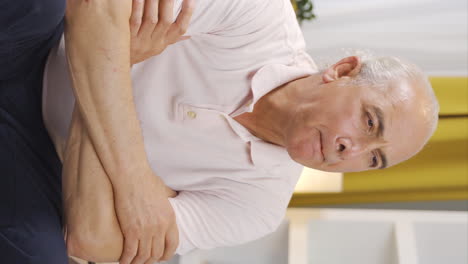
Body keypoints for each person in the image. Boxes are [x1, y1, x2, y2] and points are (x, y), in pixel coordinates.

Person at [1, 1, 439, 264]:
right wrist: (133, 185)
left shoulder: (258, 205)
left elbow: (92, 239)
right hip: (39, 40)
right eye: (369, 122)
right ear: (342, 72)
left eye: (373, 158)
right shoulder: (260, 18)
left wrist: (119, 64)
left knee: (41, 257)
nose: (353, 150)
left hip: (39, 168)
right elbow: (96, 10)